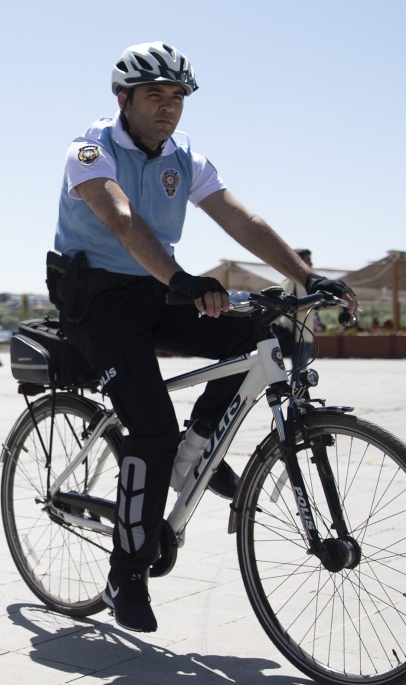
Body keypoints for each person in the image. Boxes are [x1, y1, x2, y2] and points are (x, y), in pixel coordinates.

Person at [49, 42, 356, 633]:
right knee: (151, 428)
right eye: (155, 96)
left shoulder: (186, 156)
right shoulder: (89, 151)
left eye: (177, 97)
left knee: (254, 341)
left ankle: (199, 448)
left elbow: (241, 218)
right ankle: (126, 575)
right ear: (124, 100)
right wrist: (183, 278)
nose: (169, 108)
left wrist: (306, 275)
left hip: (157, 288)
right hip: (96, 302)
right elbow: (119, 217)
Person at [277, 249, 315, 374]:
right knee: (298, 373)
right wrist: (312, 306)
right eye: (307, 260)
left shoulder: (305, 283)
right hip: (296, 335)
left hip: (305, 335)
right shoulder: (291, 281)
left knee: (301, 371)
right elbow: (283, 306)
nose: (311, 263)